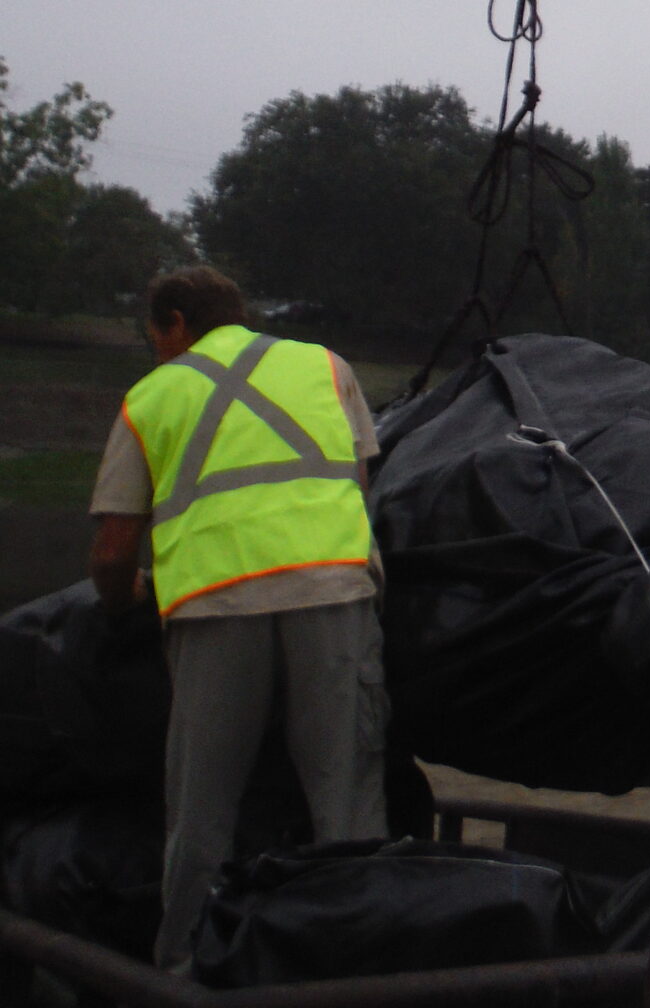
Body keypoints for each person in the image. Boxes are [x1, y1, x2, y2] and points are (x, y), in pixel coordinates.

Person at [88, 266, 388, 971]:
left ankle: (183, 968)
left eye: (154, 335)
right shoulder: (326, 365)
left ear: (175, 325)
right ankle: (368, 963)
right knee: (344, 801)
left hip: (215, 608)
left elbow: (110, 551)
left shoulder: (151, 395)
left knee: (201, 810)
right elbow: (359, 486)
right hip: (334, 595)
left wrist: (124, 597)